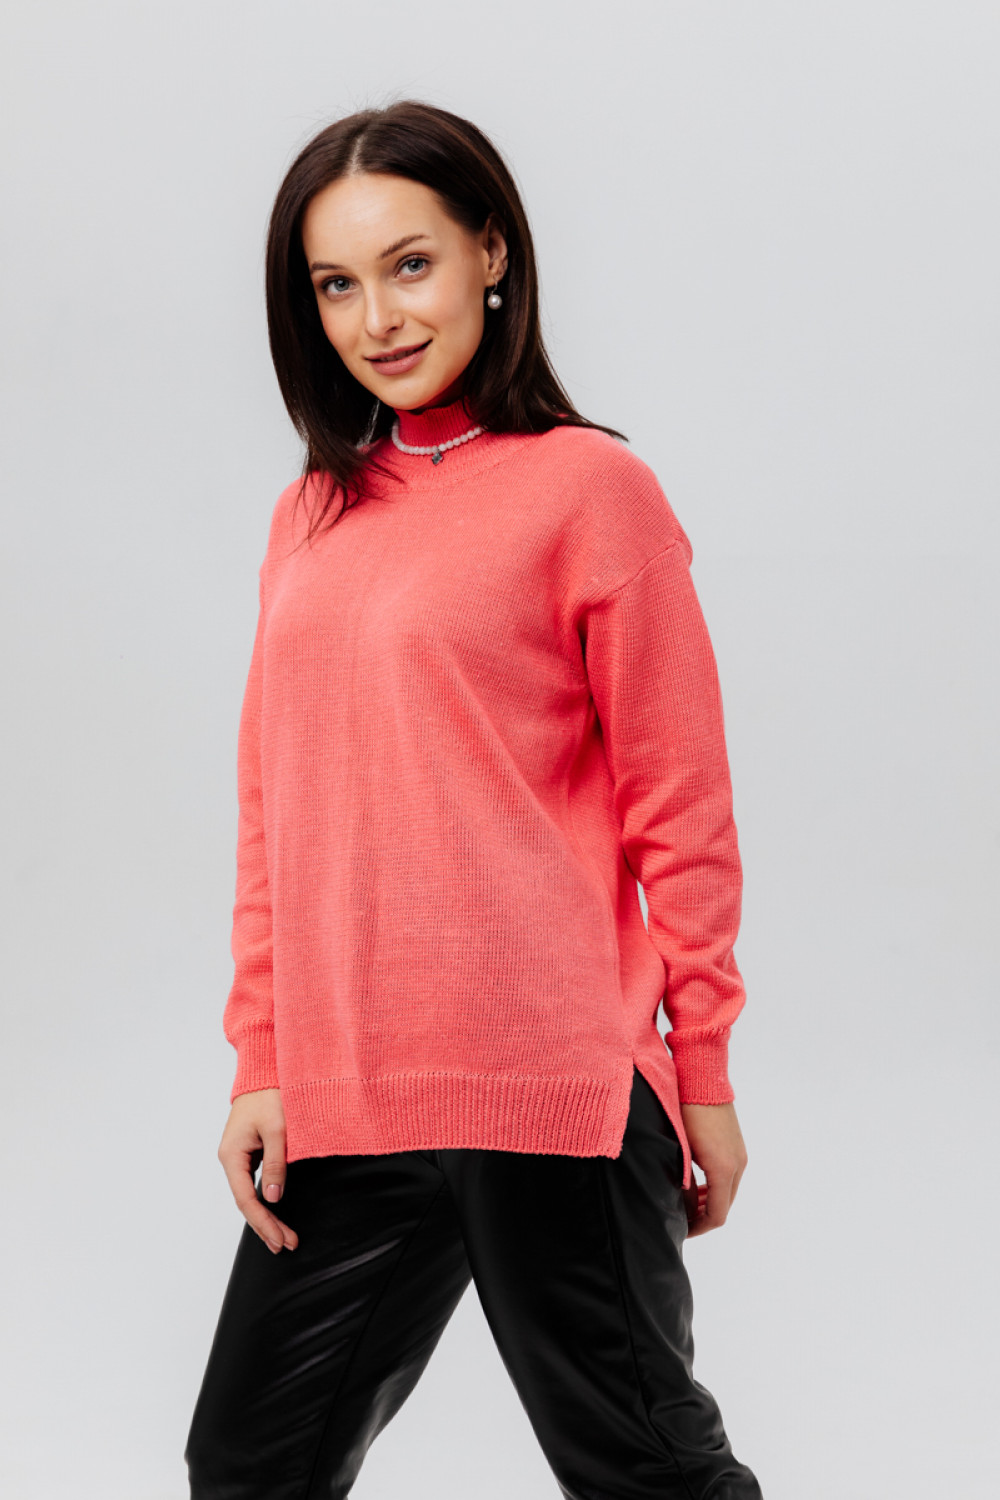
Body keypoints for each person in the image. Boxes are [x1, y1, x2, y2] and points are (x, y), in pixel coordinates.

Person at [184, 99, 764, 1500]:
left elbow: (681, 806)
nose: (378, 317)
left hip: (553, 1088)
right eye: (336, 284)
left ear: (490, 253)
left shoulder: (593, 491)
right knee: (248, 1462)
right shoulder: (310, 516)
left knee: (646, 1473)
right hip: (350, 1092)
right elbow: (273, 805)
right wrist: (263, 1058)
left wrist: (703, 1072)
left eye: (411, 264)